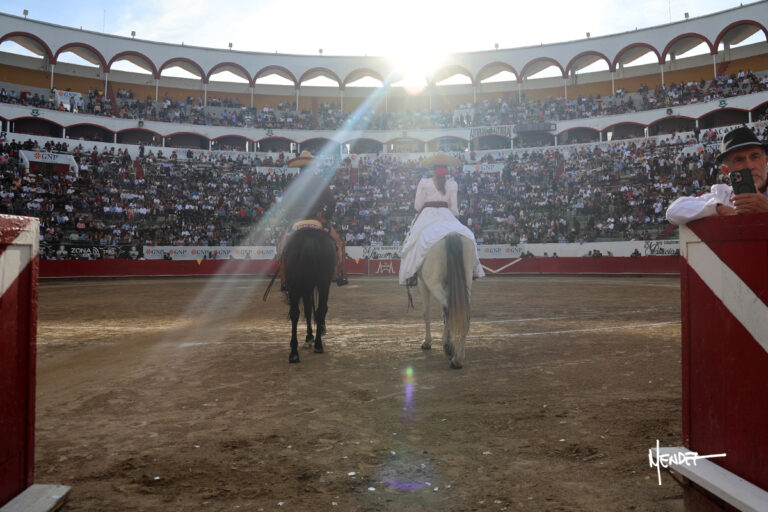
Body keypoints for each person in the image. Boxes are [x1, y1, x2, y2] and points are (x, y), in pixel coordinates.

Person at [398, 166, 484, 286]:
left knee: (413, 241)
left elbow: (417, 206)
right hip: (446, 213)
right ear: (446, 172)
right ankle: (473, 270)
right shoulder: (452, 184)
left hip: (427, 214)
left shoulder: (424, 182)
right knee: (468, 235)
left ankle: (411, 275)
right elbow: (454, 208)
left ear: (434, 171)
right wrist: (453, 217)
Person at [666, 126, 768, 225]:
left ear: (766, 160)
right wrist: (718, 208)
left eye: (755, 157)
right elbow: (673, 211)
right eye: (739, 160)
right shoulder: (722, 196)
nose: (750, 166)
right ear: (726, 170)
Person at [277, 186, 347, 291]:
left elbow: (286, 202)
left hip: (297, 219)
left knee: (282, 249)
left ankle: (284, 280)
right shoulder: (322, 184)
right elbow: (331, 203)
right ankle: (339, 275)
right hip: (318, 219)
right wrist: (326, 217)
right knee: (339, 243)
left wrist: (293, 216)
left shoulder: (297, 183)